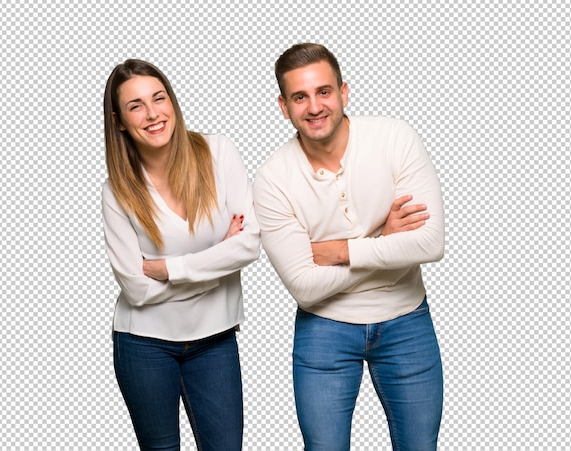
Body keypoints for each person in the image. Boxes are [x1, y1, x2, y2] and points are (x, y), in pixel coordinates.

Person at [253, 43, 445, 451]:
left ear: (344, 92)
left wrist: (340, 250)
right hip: (324, 327)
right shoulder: (272, 179)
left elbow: (429, 242)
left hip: (406, 320)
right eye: (299, 97)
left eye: (324, 91)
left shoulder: (395, 138)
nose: (315, 106)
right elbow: (305, 286)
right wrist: (385, 240)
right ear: (283, 107)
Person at [102, 59, 260, 451]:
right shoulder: (116, 190)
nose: (153, 113)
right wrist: (217, 263)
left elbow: (249, 243)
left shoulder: (218, 153)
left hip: (215, 338)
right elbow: (137, 292)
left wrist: (167, 269)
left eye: (159, 98)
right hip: (144, 343)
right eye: (136, 105)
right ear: (119, 120)